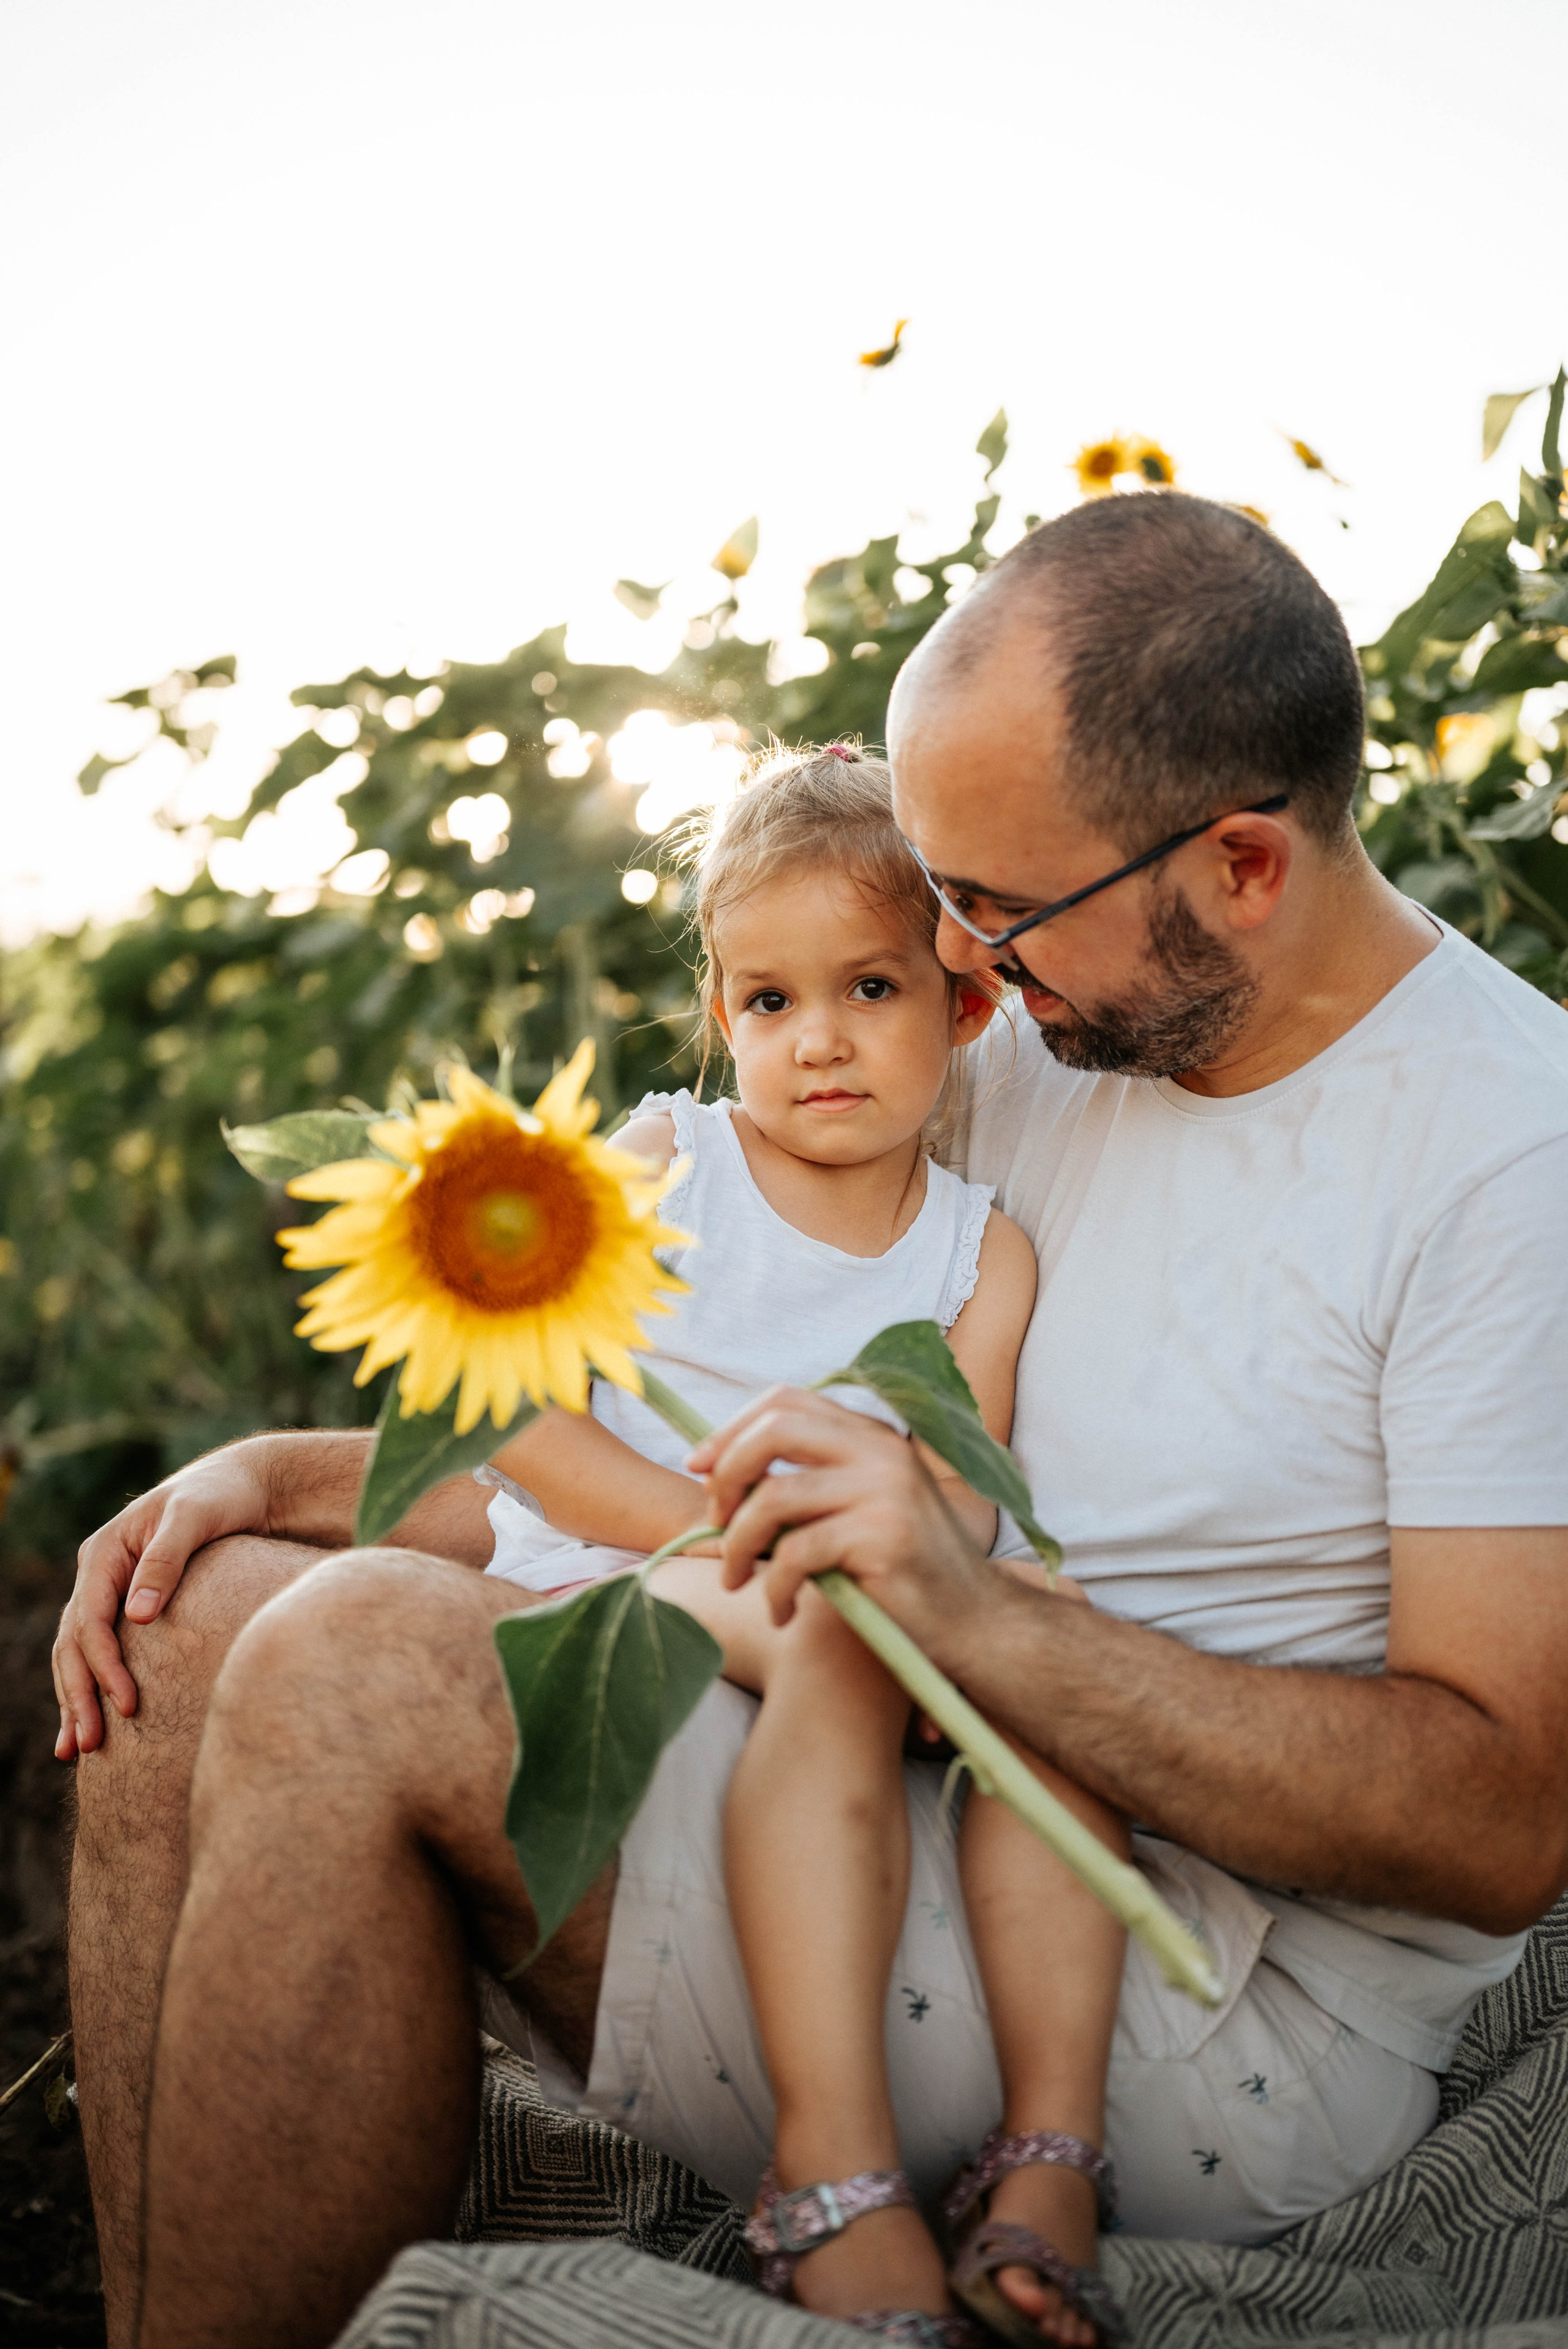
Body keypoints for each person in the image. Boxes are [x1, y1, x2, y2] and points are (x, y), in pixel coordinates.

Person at [55, 493, 1568, 2349]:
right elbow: (707, 1441)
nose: (958, 966)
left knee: (359, 1659)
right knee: (184, 1626)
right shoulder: (1048, 1037)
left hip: (1194, 1985)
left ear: (1243, 863)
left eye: (996, 910)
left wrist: (980, 1615)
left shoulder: (1506, 1155)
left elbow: (1503, 1819)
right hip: (869, 1747)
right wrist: (270, 1481)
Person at [483, 743, 1125, 2348]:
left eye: (867, 988)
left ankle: (1052, 2150)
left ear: (963, 1006)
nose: (816, 1039)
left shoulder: (984, 1258)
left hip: (826, 1578)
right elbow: (516, 1416)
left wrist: (969, 1599)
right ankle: (826, 2162)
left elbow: (955, 1495)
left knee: (1061, 1658)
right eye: (766, 1003)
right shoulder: (667, 1168)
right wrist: (731, 1527)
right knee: (837, 1625)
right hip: (631, 1562)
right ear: (720, 1014)